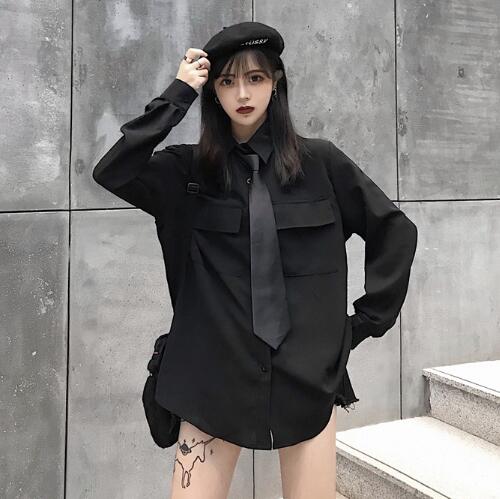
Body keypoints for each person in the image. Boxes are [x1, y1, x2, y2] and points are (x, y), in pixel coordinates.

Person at [93, 22, 418, 499]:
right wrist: (178, 94)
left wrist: (360, 326)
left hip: (307, 379)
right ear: (213, 92)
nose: (242, 93)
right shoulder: (188, 172)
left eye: (255, 78)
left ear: (276, 82)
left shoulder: (322, 165)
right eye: (227, 81)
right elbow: (112, 171)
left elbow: (395, 231)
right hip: (210, 378)